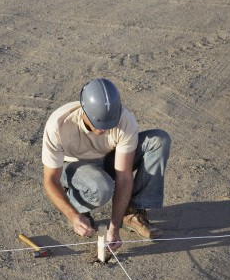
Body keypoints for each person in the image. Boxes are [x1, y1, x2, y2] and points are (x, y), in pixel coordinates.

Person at [41, 78, 171, 251]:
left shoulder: (125, 120)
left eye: (110, 123)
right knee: (101, 187)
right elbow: (50, 179)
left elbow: (124, 177)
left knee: (158, 140)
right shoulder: (58, 124)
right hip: (73, 166)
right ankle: (77, 206)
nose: (103, 129)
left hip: (108, 158)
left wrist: (114, 227)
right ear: (84, 110)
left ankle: (131, 213)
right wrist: (72, 215)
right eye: (98, 124)